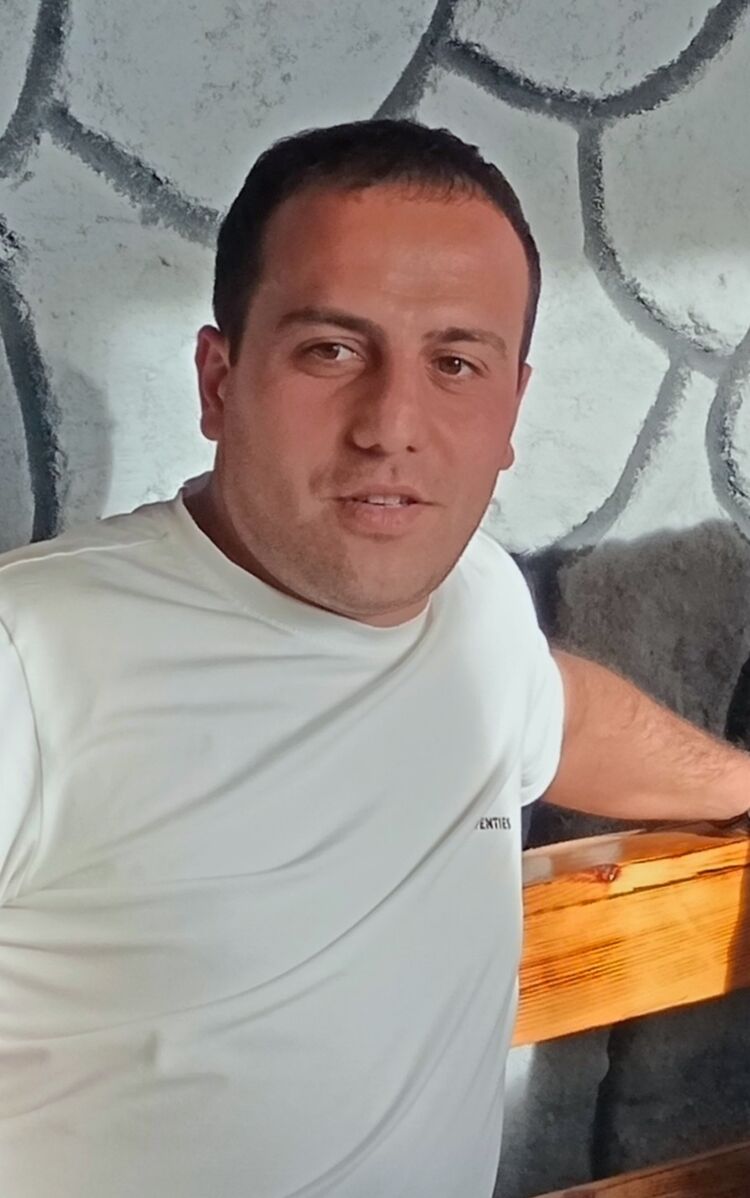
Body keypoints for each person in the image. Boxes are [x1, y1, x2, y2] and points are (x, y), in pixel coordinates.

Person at [0, 118, 747, 1198]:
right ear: (219, 380)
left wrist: (740, 783)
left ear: (512, 409)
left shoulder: (473, 600)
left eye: (455, 363)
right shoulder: (32, 660)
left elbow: (562, 717)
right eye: (332, 350)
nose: (391, 424)